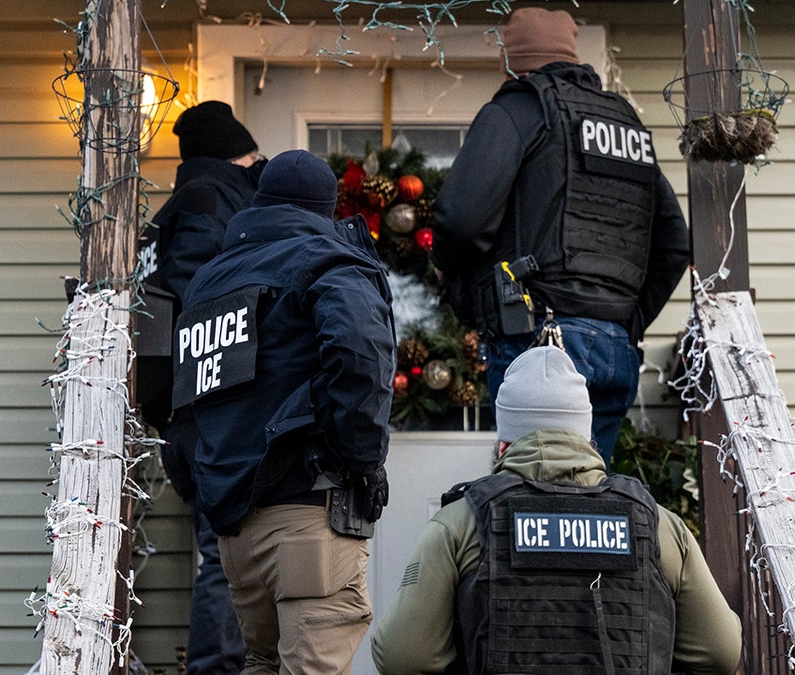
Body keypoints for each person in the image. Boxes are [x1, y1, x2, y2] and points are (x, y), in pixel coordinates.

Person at [370, 346, 741, 674]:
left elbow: (403, 657)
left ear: (503, 445)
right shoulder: (660, 527)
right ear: (586, 438)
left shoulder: (459, 524)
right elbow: (721, 653)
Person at [431, 7, 690, 468]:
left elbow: (460, 222)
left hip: (536, 344)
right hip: (615, 349)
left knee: (534, 507)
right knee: (589, 505)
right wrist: (623, 322)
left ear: (512, 60)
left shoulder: (518, 108)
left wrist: (457, 288)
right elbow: (673, 245)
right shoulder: (625, 123)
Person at [177, 149, 396, 674]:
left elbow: (189, 404)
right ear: (325, 208)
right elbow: (361, 352)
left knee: (261, 663)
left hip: (236, 533)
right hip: (306, 516)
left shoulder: (210, 281)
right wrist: (361, 461)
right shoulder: (326, 261)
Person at [135, 100, 264, 675]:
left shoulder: (181, 204)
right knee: (226, 551)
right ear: (233, 155)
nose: (259, 166)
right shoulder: (213, 201)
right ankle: (215, 668)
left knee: (227, 547)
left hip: (183, 408)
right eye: (252, 156)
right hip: (208, 406)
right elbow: (201, 294)